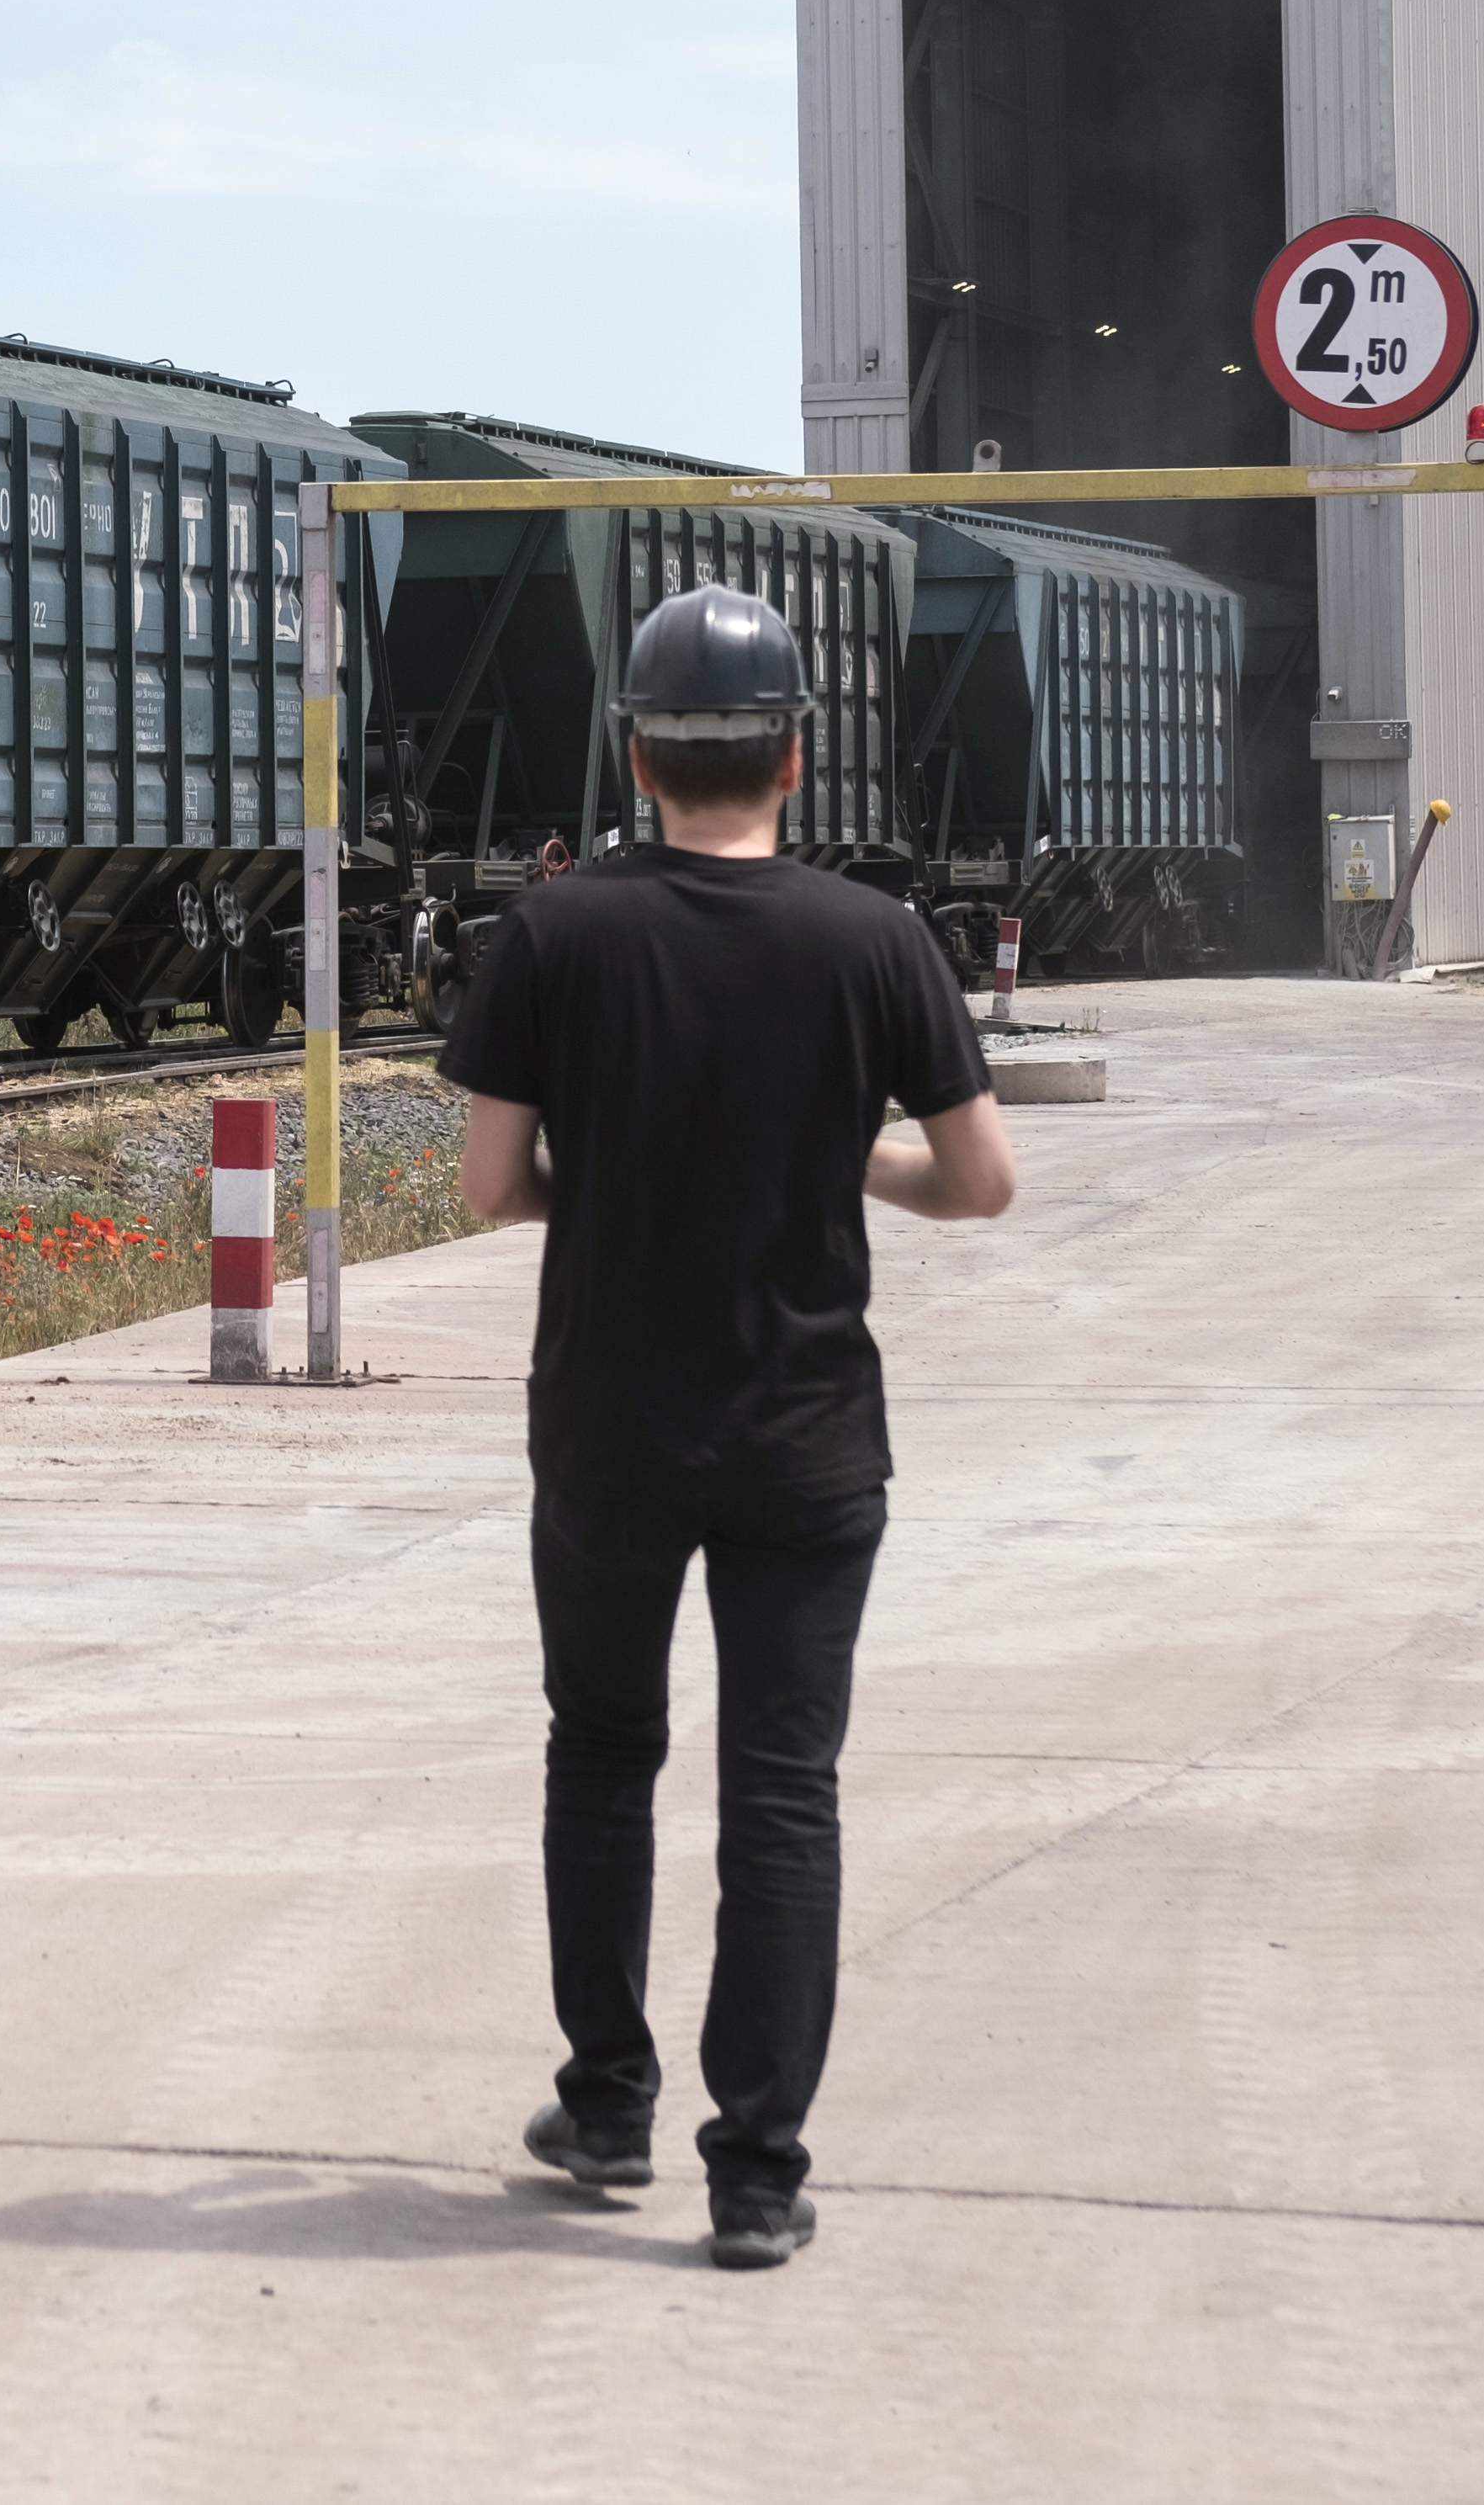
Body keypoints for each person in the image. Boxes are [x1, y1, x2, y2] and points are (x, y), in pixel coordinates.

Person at [433, 581, 1016, 2272]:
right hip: (807, 1444)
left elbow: (488, 1184)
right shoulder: (874, 940)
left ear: (634, 753)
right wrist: (854, 1161)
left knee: (602, 1753)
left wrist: (614, 1184)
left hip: (609, 1427)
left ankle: (604, 2099)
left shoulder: (554, 933)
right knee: (782, 1794)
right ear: (797, 756)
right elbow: (979, 1182)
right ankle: (755, 2171)